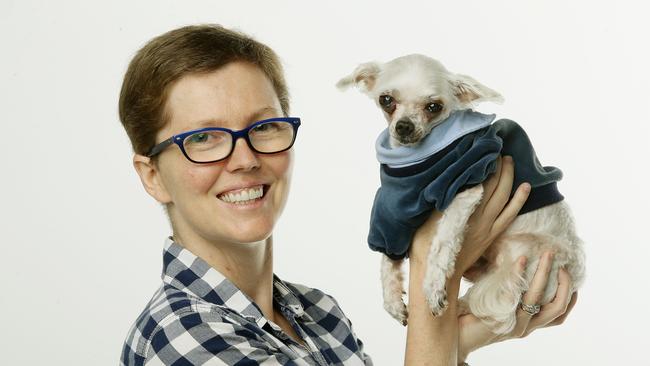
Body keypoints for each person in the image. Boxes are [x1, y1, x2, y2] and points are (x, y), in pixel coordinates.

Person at [118, 24, 578, 366]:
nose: (244, 159)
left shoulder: (319, 316)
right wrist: (430, 274)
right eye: (203, 139)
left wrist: (464, 336)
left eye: (265, 127)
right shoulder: (185, 338)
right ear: (152, 175)